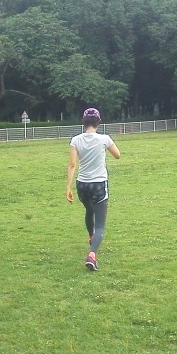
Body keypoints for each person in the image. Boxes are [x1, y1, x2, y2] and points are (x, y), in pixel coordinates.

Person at [66, 107, 121, 271]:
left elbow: (72, 165)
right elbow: (117, 155)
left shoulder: (75, 140)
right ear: (99, 122)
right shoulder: (104, 139)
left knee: (89, 210)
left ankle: (91, 237)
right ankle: (92, 255)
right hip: (99, 184)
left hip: (82, 185)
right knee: (101, 226)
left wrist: (68, 188)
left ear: (83, 122)